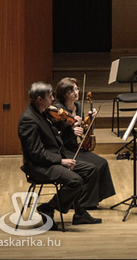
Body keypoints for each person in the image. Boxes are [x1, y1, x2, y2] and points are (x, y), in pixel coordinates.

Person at [18, 82, 102, 228]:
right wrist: (61, 161)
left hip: (52, 159)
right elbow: (36, 154)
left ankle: (80, 213)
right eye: (50, 96)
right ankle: (48, 208)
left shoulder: (43, 112)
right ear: (39, 99)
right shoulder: (28, 120)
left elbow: (56, 136)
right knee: (75, 181)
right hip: (39, 166)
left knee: (90, 170)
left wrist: (73, 126)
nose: (53, 99)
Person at [52, 78, 116, 208]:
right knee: (91, 167)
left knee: (102, 163)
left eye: (77, 89)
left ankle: (93, 199)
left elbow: (84, 132)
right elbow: (54, 137)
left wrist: (90, 120)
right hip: (61, 150)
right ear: (64, 94)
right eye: (71, 91)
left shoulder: (78, 106)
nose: (76, 93)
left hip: (74, 147)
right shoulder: (58, 110)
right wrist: (71, 130)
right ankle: (82, 204)